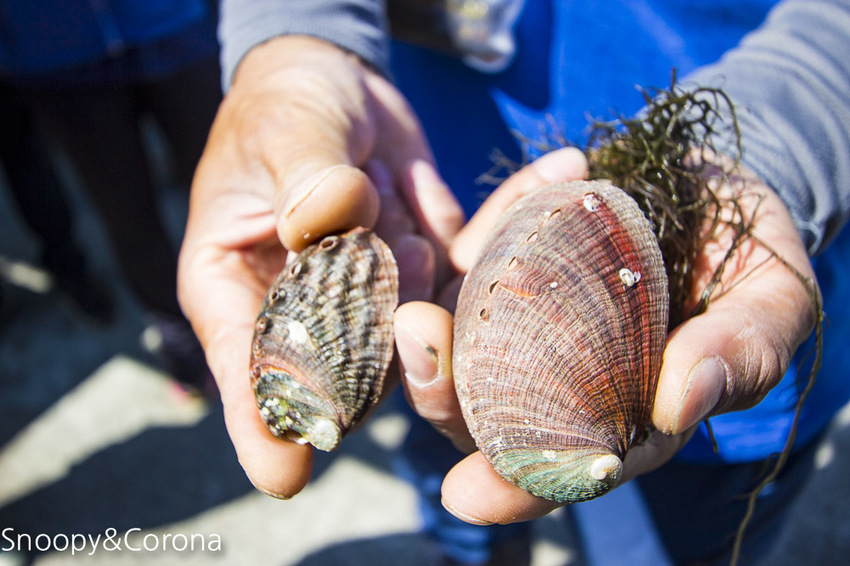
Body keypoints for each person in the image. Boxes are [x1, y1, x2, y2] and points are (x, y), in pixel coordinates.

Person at [178, 0, 850, 563]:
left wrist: (794, 121)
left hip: (722, 285)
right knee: (451, 482)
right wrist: (296, 44)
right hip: (427, 230)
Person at [0, 0, 222, 390]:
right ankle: (184, 350)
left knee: (230, 191)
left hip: (172, 22)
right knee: (127, 217)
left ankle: (274, 327)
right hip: (55, 54)